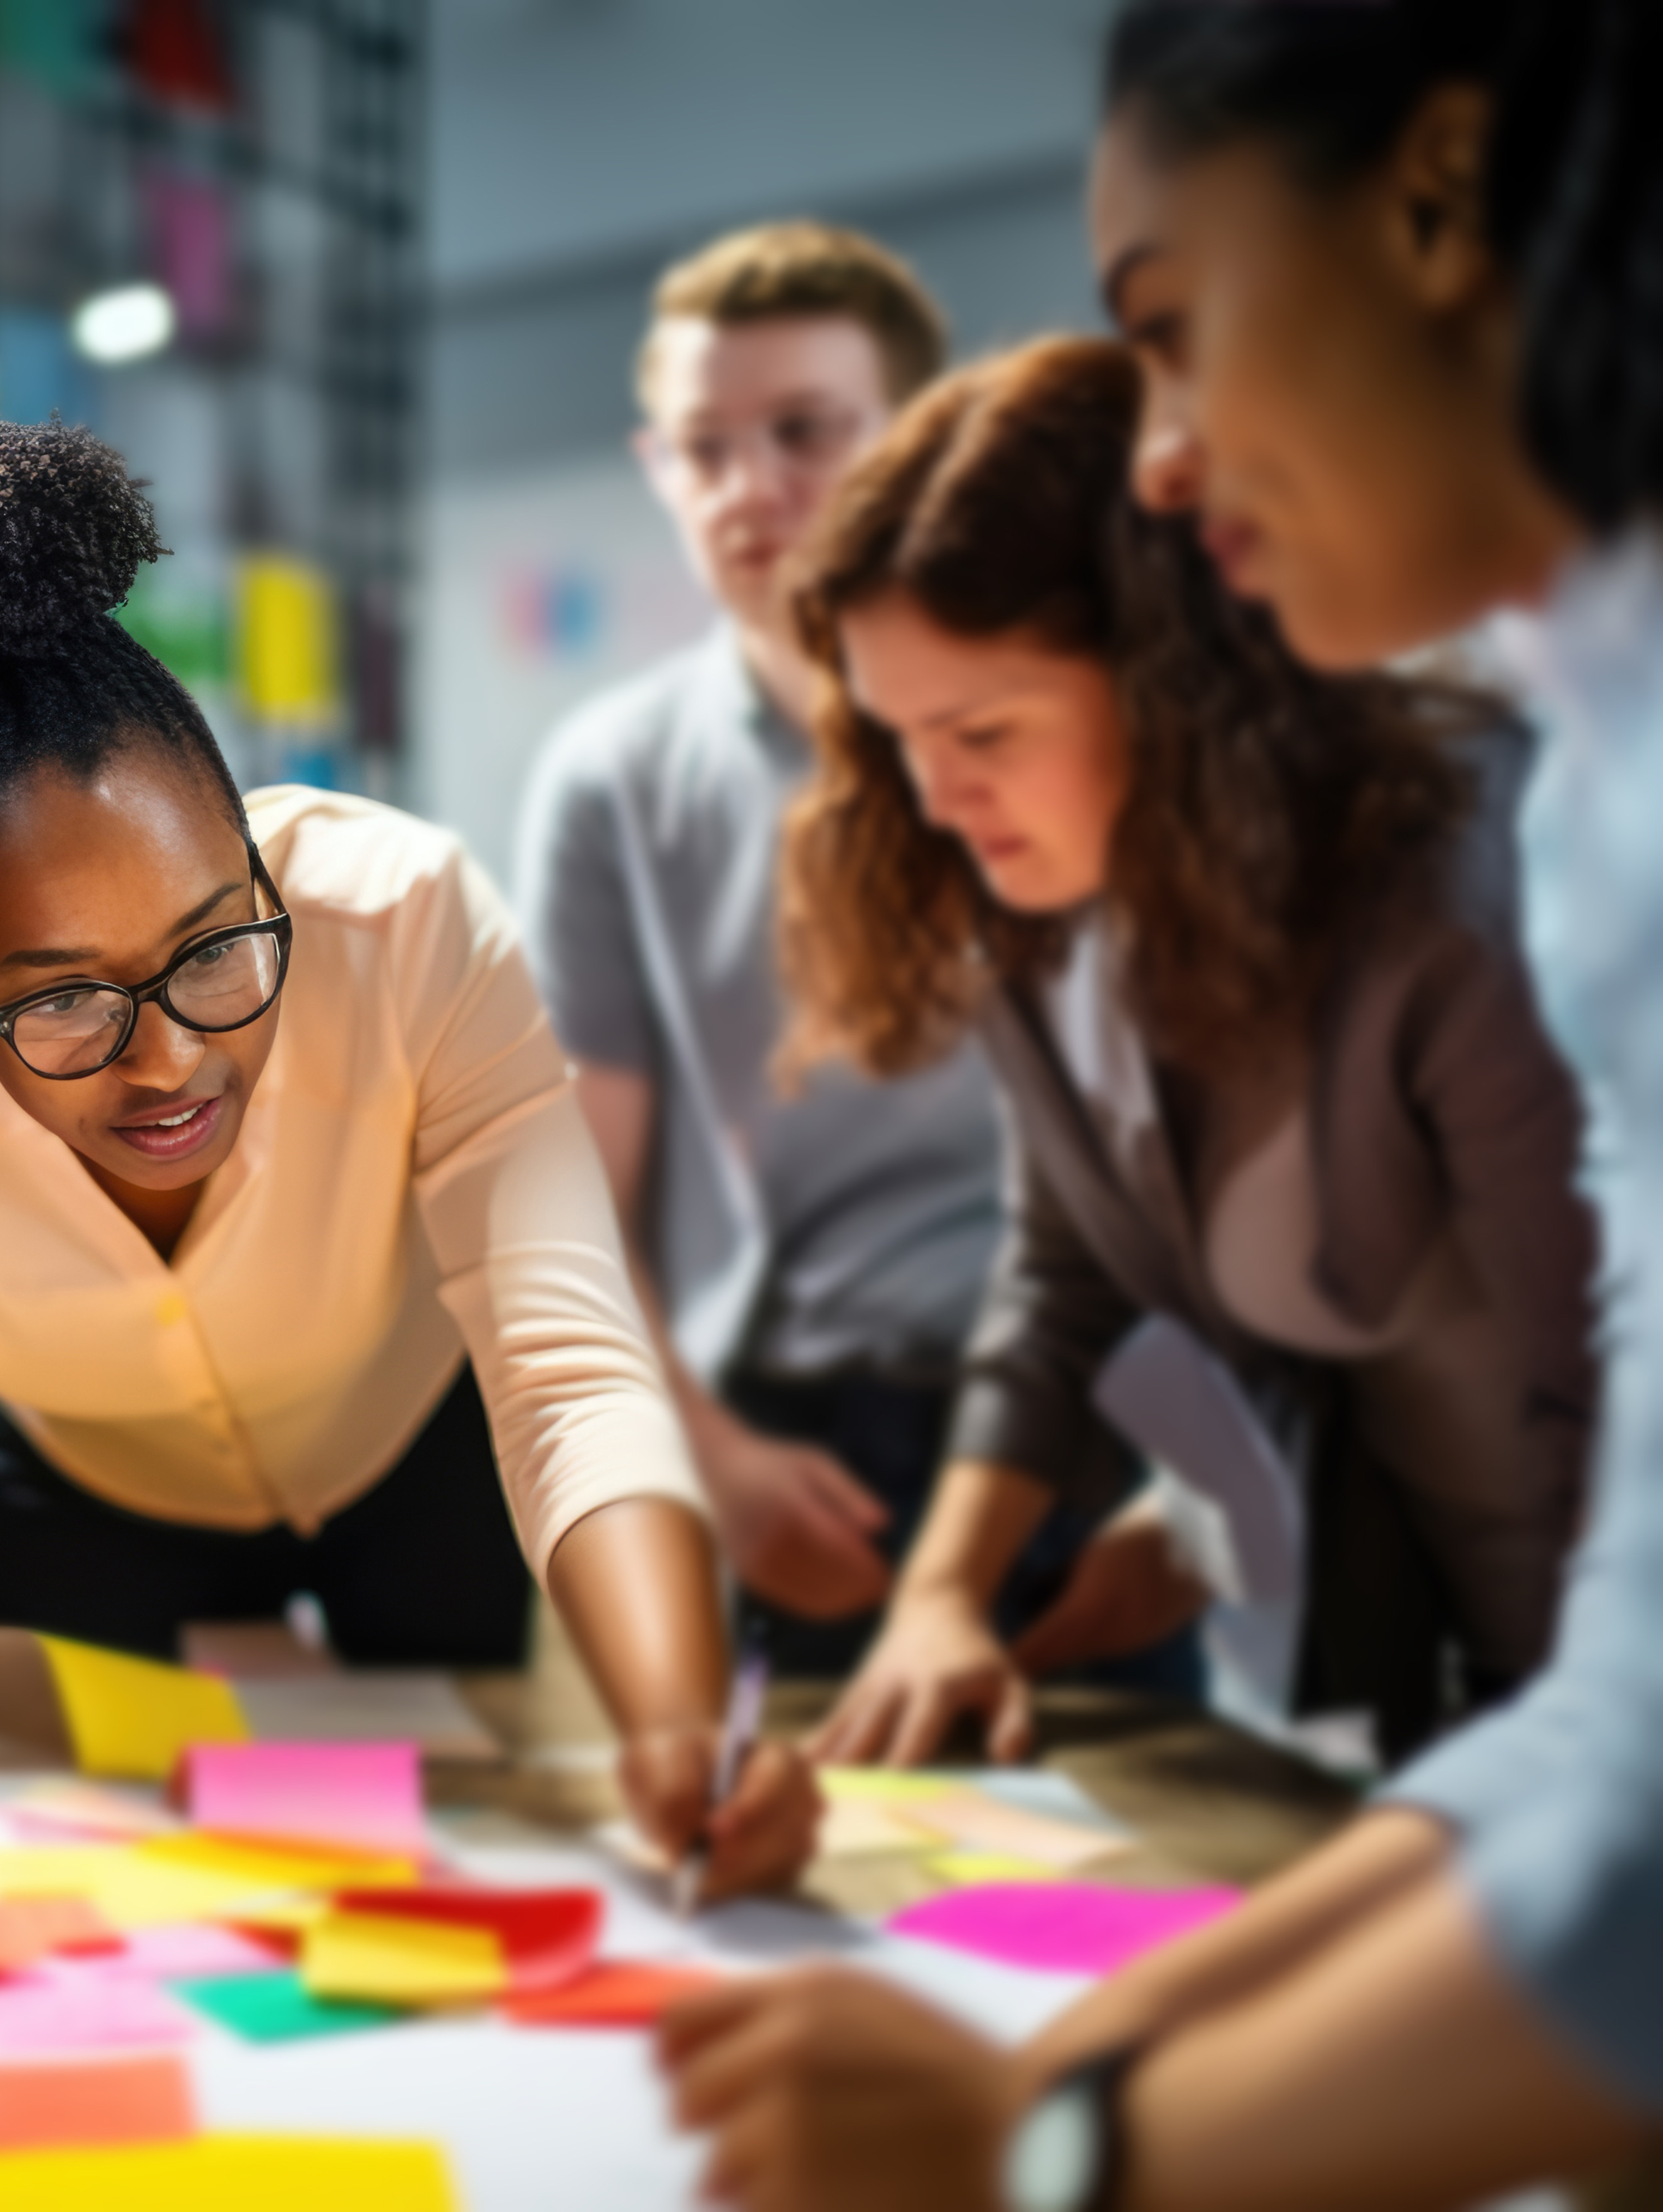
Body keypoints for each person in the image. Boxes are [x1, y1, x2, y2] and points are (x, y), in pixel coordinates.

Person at [661, 3, 1663, 2204]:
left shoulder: (1507, 859)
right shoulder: (1591, 752)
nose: (1172, 454)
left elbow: (1624, 1731)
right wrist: (1103, 2063)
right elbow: (1626, 1733)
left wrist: (1074, 2153)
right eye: (901, 745)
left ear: (1434, 202)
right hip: (1474, 1769)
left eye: (1178, 330)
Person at [0, 413, 819, 1898]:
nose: (169, 1058)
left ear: (256, 857)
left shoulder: (411, 919)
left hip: (408, 1455)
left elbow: (567, 1369)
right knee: (79, 1888)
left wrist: (682, 1724)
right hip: (75, 1487)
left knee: (456, 1863)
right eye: (64, 1002)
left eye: (217, 945)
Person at [792, 334, 1593, 1773]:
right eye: (897, 737)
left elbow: (1599, 1379)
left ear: (1173, 678)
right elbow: (1061, 1281)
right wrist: (939, 1597)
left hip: (1594, 1644)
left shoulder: (1463, 900)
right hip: (1426, 1680)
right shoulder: (1037, 910)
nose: (934, 796)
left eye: (981, 728)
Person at [513, 222, 1024, 1680]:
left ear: (918, 435)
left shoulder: (1052, 721)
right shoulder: (612, 776)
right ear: (657, 467)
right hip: (778, 1441)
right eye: (703, 446)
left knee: (1133, 1887)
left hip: (1062, 1418)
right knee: (800, 1892)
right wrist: (706, 1449)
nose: (752, 489)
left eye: (805, 429)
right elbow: (576, 1185)